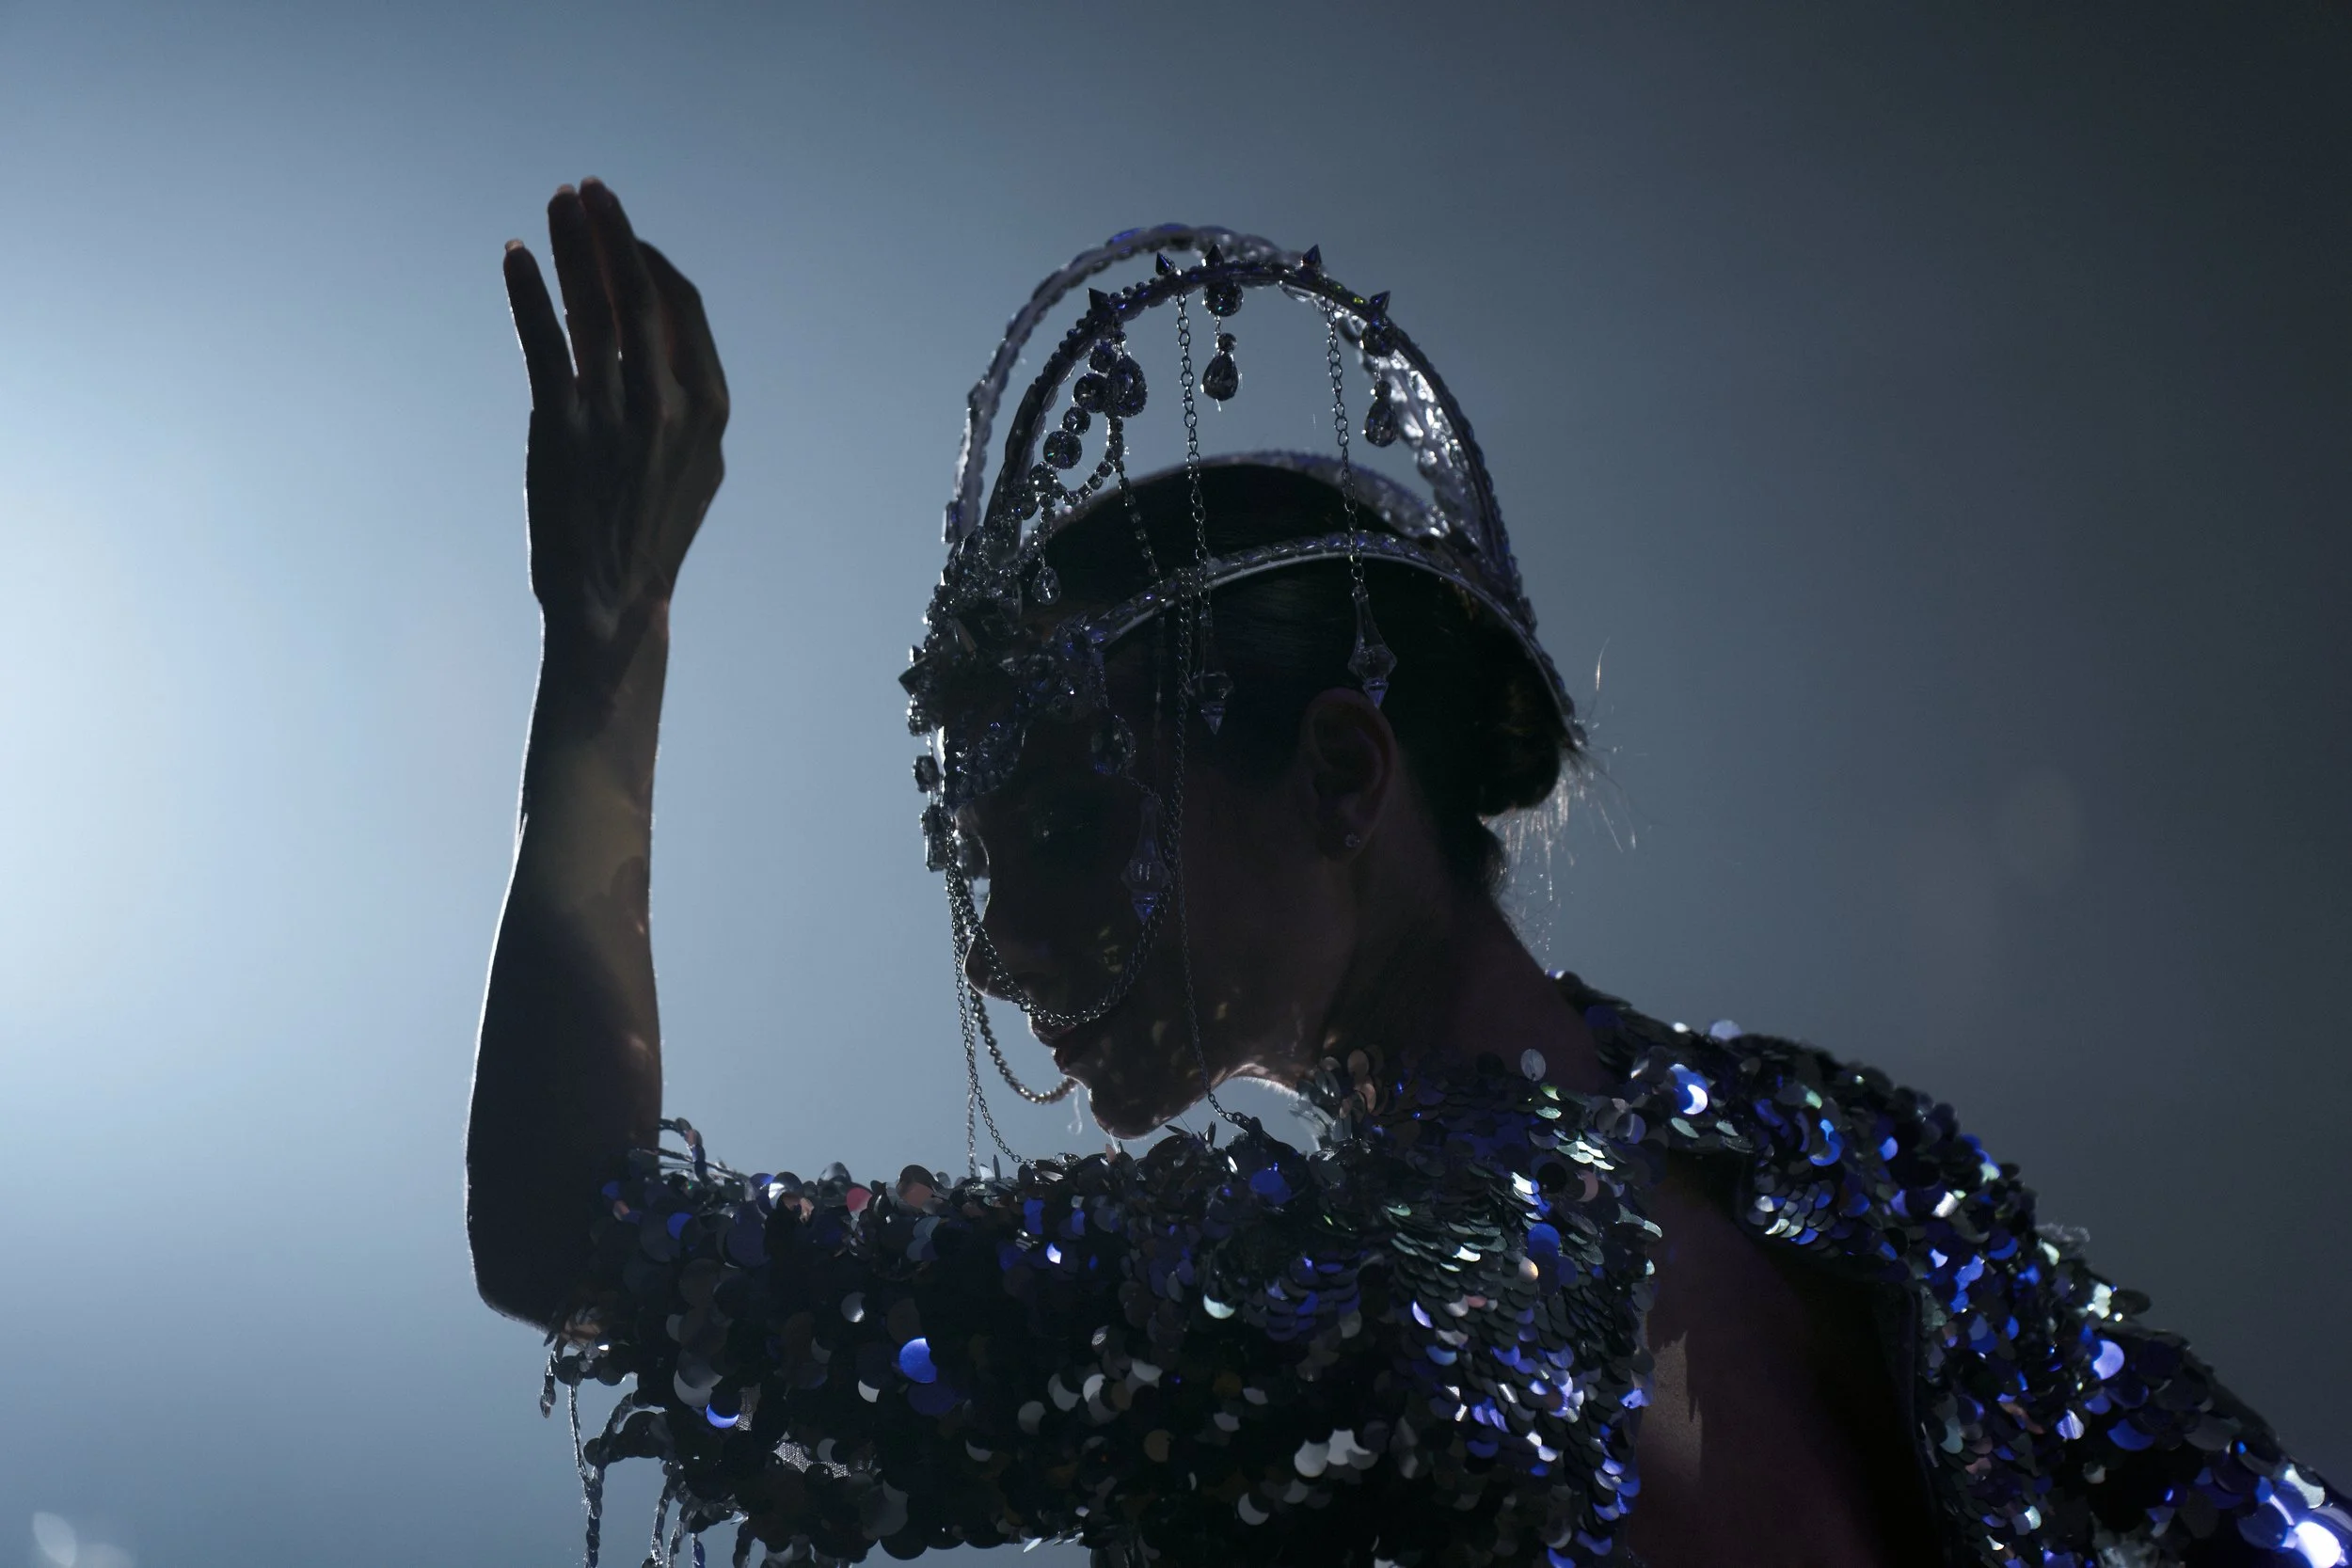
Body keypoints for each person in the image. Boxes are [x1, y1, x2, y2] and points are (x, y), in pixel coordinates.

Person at [466, 181, 2344, 1568]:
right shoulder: (1845, 1153)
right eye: (972, 861)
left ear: (1342, 773)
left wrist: (608, 645)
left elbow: (580, 1237)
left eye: (1063, 827)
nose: (1001, 945)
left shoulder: (1304, 1295)